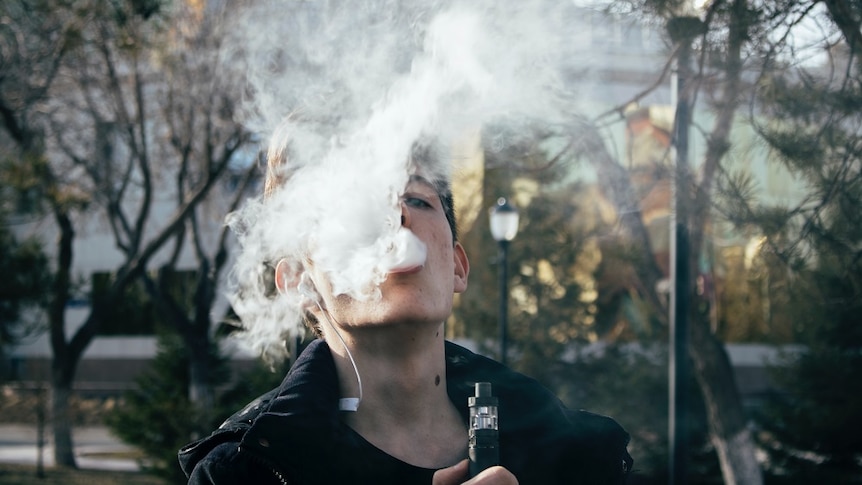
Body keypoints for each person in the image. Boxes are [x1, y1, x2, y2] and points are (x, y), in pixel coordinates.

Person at [178, 140, 634, 484]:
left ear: (457, 267)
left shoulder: (566, 448)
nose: (395, 216)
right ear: (300, 280)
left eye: (416, 199)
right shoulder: (244, 471)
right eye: (355, 204)